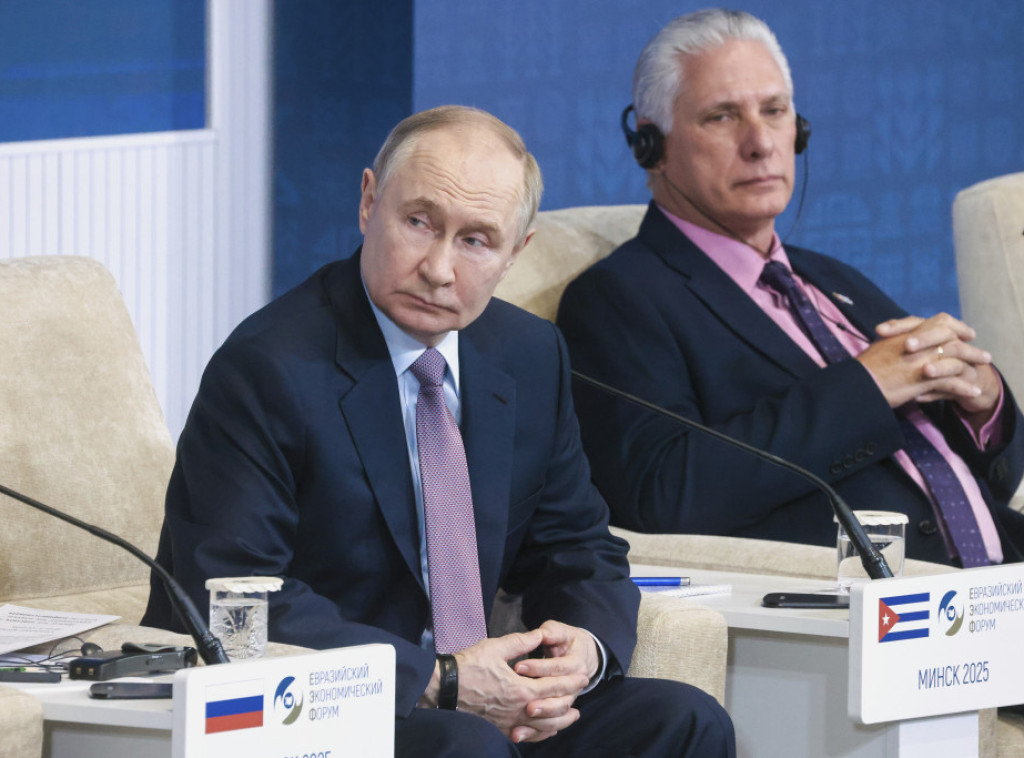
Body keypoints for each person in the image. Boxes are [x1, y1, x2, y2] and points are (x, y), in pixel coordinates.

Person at [142, 105, 734, 756]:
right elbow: (232, 591)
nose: (439, 269)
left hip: (482, 702)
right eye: (419, 223)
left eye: (476, 240)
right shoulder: (269, 367)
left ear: (515, 253)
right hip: (330, 706)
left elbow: (577, 544)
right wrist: (439, 678)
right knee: (466, 745)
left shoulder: (528, 355)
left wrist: (582, 651)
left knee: (684, 721)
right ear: (369, 203)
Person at [557, 9, 1024, 567]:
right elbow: (663, 494)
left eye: (775, 111)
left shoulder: (832, 279)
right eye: (722, 116)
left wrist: (982, 404)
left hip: (999, 578)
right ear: (651, 146)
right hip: (873, 602)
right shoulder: (619, 299)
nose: (760, 143)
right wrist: (868, 386)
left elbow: (991, 478)